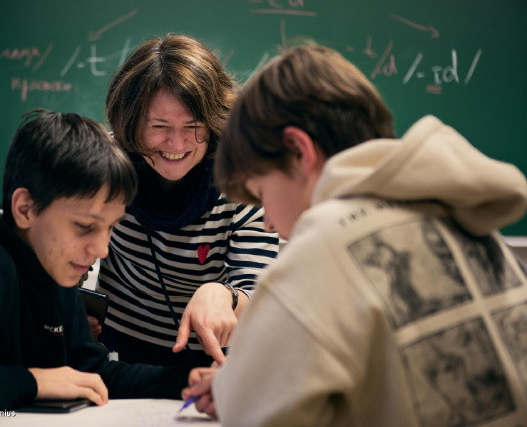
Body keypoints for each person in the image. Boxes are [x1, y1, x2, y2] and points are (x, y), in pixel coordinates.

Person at [181, 42, 527, 426]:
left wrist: (240, 393)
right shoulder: (467, 217)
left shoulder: (321, 251)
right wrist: (238, 383)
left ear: (299, 151)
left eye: (262, 193)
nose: (268, 223)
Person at [0, 110, 190, 421]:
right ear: (25, 208)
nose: (101, 249)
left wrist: (185, 381)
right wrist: (32, 382)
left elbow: (89, 372)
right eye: (84, 226)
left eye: (111, 227)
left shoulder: (54, 265)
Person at [91, 34, 279, 368]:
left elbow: (260, 293)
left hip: (211, 362)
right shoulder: (104, 164)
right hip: (113, 355)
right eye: (159, 126)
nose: (176, 144)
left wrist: (225, 295)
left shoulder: (244, 178)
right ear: (130, 124)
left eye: (193, 126)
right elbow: (61, 247)